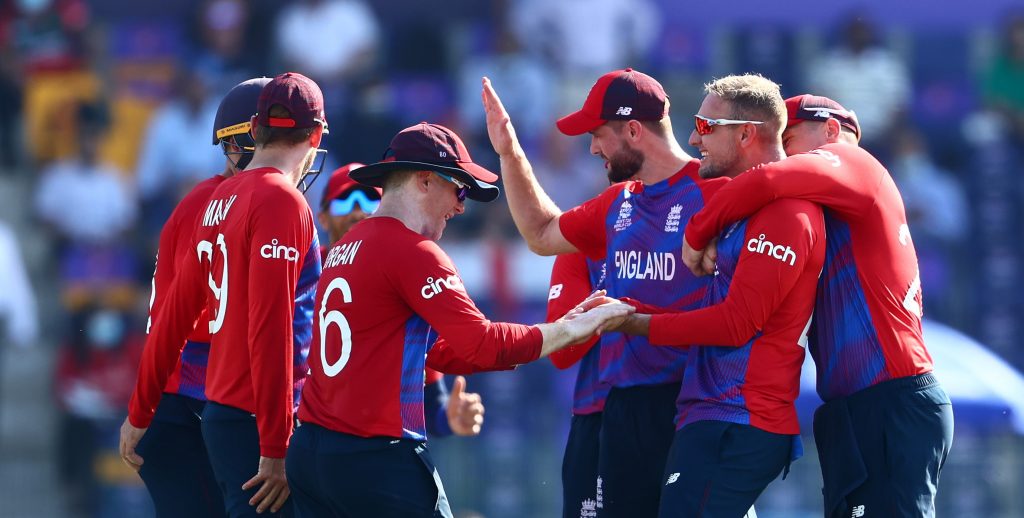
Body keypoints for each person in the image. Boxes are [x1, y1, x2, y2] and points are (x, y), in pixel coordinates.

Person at [285, 122, 634, 517]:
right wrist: (568, 330)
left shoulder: (344, 246)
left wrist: (547, 335)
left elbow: (437, 350)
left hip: (313, 456)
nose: (462, 206)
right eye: (459, 189)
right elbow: (482, 344)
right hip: (376, 459)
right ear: (425, 180)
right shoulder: (414, 251)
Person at [682, 94, 954, 518]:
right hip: (861, 407)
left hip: (889, 400)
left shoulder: (854, 161)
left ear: (830, 129)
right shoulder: (824, 203)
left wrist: (697, 233)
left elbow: (766, 180)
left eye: (789, 139)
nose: (782, 152)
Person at [482, 69, 727, 516]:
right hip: (623, 410)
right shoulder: (618, 202)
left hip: (696, 403)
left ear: (633, 130)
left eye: (598, 135)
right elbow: (541, 233)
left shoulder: (716, 192)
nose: (593, 148)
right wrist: (509, 152)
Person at [585, 74, 824, 517]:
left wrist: (633, 320)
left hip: (742, 416)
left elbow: (734, 324)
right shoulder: (740, 207)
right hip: (709, 413)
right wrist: (625, 308)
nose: (694, 138)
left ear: (746, 134)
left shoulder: (787, 214)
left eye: (705, 126)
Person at [121, 72, 330, 517]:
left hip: (205, 406)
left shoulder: (220, 197)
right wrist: (276, 441)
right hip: (208, 405)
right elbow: (267, 328)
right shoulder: (273, 201)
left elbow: (174, 315)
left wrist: (140, 408)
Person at [318, 163, 487, 437]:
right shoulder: (301, 274)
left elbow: (431, 402)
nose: (358, 211)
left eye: (370, 201)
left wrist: (450, 418)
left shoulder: (403, 276)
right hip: (307, 438)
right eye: (344, 203)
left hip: (374, 444)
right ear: (323, 218)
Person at [545, 251, 608, 518]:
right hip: (598, 416)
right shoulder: (579, 246)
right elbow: (561, 353)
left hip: (685, 412)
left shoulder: (699, 236)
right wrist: (605, 311)